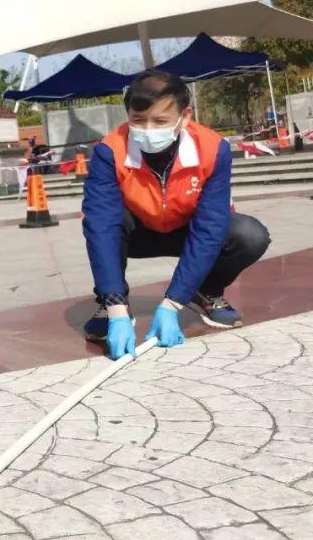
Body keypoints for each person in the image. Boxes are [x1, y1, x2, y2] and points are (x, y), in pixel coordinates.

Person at [82, 71, 270, 359]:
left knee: (249, 234)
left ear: (185, 116)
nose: (148, 130)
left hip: (187, 232)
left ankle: (205, 290)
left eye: (160, 121)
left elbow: (209, 227)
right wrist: (116, 307)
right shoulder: (109, 151)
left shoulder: (212, 149)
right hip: (137, 233)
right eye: (138, 120)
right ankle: (112, 304)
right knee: (106, 226)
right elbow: (102, 226)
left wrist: (173, 303)